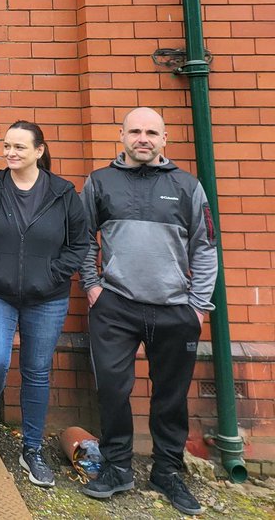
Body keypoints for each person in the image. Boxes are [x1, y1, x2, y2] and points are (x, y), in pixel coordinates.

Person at [79, 108, 217, 516]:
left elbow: (205, 248)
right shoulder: (100, 182)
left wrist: (198, 306)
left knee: (171, 396)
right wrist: (92, 285)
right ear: (121, 135)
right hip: (115, 305)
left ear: (165, 138)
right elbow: (84, 237)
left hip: (175, 308)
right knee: (113, 390)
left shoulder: (187, 186)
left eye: (151, 132)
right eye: (135, 131)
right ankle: (117, 467)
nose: (143, 138)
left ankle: (168, 472)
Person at [0, 121, 89, 487]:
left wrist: (54, 274)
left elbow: (79, 244)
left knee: (37, 371)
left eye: (19, 147)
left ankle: (32, 449)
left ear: (39, 151)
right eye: (6, 146)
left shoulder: (63, 192)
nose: (10, 153)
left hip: (47, 297)